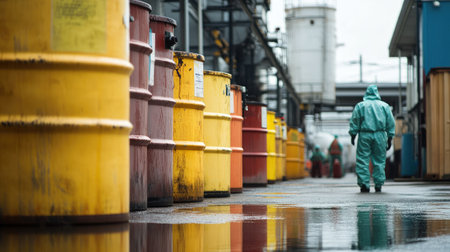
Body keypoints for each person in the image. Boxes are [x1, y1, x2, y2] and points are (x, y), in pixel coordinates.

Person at [349, 85, 395, 193]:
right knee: (379, 160)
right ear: (377, 93)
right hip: (380, 135)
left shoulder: (360, 106)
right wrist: (390, 138)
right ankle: (378, 184)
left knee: (362, 160)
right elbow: (390, 123)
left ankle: (364, 185)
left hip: (364, 135)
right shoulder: (384, 106)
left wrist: (353, 134)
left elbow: (355, 121)